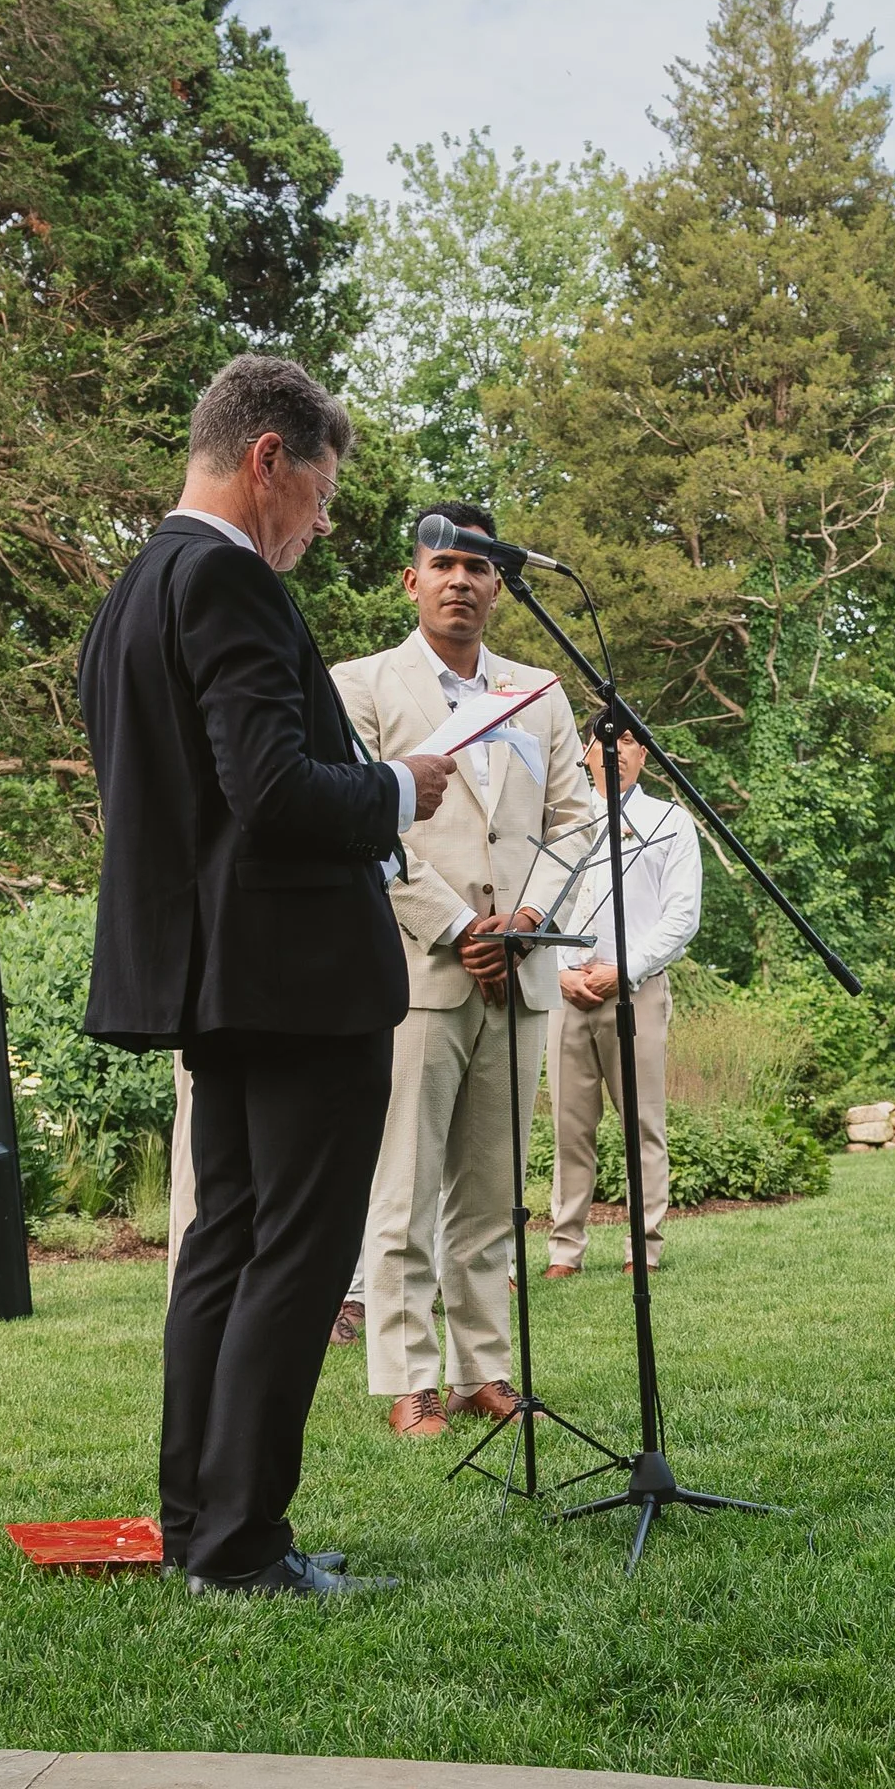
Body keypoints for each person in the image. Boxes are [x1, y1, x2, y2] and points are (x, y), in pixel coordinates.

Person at [80, 357, 453, 1597]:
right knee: (295, 1251)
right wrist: (400, 787)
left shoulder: (135, 590)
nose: (324, 523)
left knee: (225, 1246)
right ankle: (241, 1546)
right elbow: (274, 791)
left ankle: (199, 1524)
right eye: (324, 494)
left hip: (211, 974)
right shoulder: (228, 579)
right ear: (267, 462)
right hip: (294, 978)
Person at [342, 504, 592, 1437]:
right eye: (443, 564)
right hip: (418, 972)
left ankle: (482, 1367)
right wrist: (459, 927)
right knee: (404, 1188)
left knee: (492, 1193)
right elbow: (366, 827)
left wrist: (526, 922)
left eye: (478, 569)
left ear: (499, 585)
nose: (461, 582)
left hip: (520, 974)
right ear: (411, 580)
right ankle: (405, 1375)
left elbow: (576, 822)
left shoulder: (542, 692)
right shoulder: (361, 687)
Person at [546, 722, 704, 1280]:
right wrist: (559, 973)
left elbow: (681, 917)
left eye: (628, 743)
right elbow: (540, 907)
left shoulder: (670, 823)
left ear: (643, 753)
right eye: (603, 744)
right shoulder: (563, 822)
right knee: (570, 1128)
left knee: (642, 1125)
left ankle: (644, 1249)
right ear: (586, 753)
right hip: (563, 995)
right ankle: (565, 1250)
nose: (615, 754)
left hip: (635, 992)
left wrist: (623, 971)